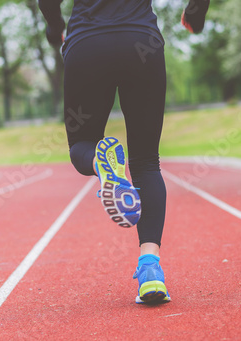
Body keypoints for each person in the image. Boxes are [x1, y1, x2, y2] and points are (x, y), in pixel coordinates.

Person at [39, 0, 209, 304]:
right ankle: (150, 270)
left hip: (87, 44)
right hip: (141, 42)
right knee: (146, 161)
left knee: (81, 145)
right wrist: (196, 12)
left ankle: (100, 164)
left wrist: (55, 28)